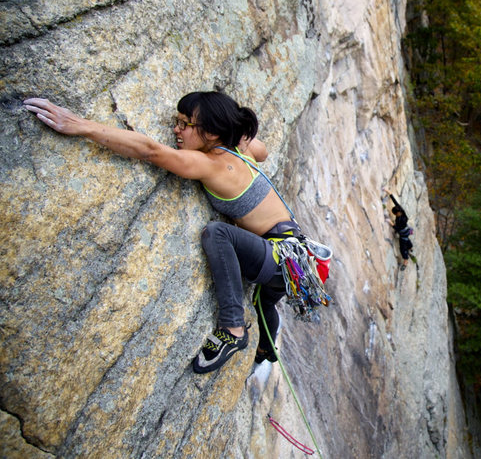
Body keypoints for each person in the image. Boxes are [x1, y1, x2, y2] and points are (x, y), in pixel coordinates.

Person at [24, 92, 293, 373]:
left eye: (185, 124)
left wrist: (83, 126)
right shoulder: (240, 150)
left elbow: (150, 151)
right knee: (264, 302)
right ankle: (266, 349)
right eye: (177, 122)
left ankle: (233, 329)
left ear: (212, 132)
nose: (176, 130)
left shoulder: (211, 164)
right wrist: (232, 134)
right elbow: (261, 151)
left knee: (217, 233)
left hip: (278, 257)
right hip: (292, 260)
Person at [383, 188, 415, 270]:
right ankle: (411, 247)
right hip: (407, 231)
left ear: (397, 213)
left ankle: (405, 261)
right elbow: (395, 202)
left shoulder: (402, 220)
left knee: (402, 247)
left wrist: (390, 223)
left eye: (394, 214)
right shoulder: (401, 211)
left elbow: (397, 228)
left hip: (403, 233)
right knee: (407, 239)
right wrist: (389, 192)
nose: (394, 215)